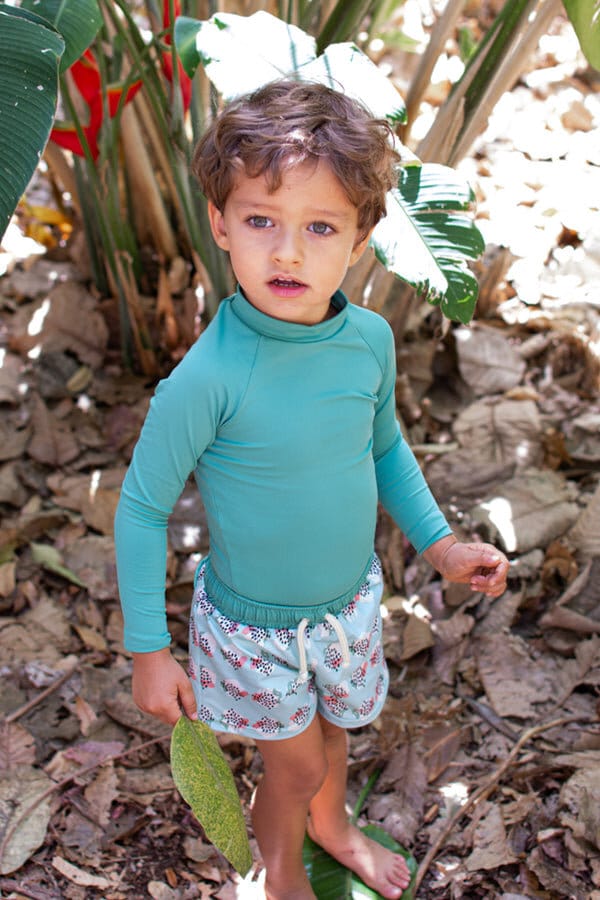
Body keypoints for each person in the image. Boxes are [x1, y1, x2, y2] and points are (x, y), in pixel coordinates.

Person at [114, 79, 509, 900]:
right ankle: (282, 872)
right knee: (291, 765)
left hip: (345, 607)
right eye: (262, 220)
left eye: (320, 227)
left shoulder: (367, 341)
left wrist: (440, 546)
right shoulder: (209, 377)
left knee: (333, 738)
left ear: (361, 237)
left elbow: (384, 447)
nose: (288, 253)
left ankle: (332, 827)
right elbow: (143, 507)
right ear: (220, 223)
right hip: (256, 630)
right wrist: (148, 649)